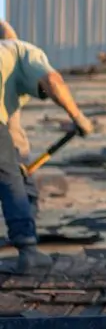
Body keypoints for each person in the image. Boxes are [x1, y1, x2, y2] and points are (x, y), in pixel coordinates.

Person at [0, 22, 95, 273]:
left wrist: (19, 160)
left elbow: (10, 129)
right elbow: (52, 79)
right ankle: (28, 250)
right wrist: (78, 118)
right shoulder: (18, 49)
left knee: (18, 176)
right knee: (12, 183)